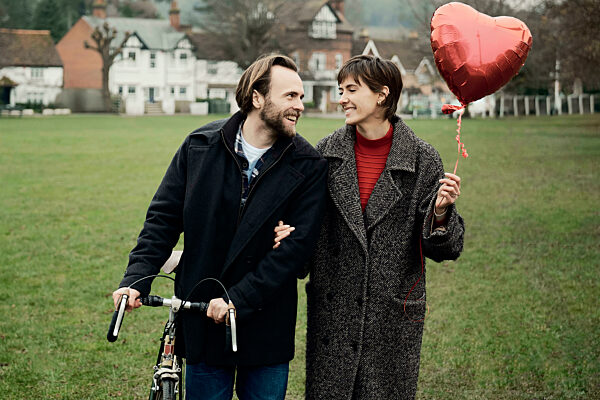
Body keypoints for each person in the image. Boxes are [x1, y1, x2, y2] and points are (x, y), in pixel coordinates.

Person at [111, 54, 328, 400]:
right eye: (290, 96)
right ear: (257, 97)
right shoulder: (200, 146)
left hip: (266, 324)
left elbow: (292, 253)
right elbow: (162, 220)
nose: (300, 105)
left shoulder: (309, 165)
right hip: (202, 320)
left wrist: (237, 299)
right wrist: (136, 279)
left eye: (301, 97)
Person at [273, 55, 465, 399]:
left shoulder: (424, 159)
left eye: (351, 89)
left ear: (381, 95)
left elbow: (445, 250)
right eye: (340, 89)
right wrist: (291, 239)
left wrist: (439, 213)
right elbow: (309, 234)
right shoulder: (325, 154)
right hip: (334, 312)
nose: (341, 98)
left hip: (391, 318)